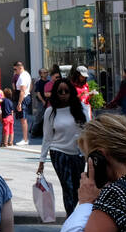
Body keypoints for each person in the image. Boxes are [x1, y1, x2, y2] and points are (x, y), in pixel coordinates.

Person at [37, 78, 88, 215]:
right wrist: (41, 161)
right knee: (67, 186)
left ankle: (71, 215)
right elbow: (47, 138)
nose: (64, 94)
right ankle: (70, 217)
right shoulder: (51, 112)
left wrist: (89, 154)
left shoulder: (82, 108)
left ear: (72, 92)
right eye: (60, 91)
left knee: (77, 187)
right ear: (55, 93)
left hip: (79, 154)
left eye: (67, 91)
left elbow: (88, 131)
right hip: (59, 152)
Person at [14, 61, 33, 145]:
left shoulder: (23, 76)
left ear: (20, 67)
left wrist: (19, 103)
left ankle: (25, 139)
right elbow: (31, 85)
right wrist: (28, 92)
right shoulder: (26, 74)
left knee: (23, 119)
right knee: (23, 119)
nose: (14, 71)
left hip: (23, 97)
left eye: (15, 69)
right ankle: (25, 139)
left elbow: (22, 91)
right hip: (25, 96)